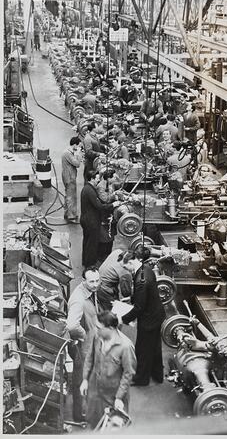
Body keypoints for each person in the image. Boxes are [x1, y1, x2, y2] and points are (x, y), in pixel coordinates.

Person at [80, 311, 137, 429]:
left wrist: (119, 397)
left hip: (113, 397)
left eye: (99, 328)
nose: (96, 330)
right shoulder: (98, 337)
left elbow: (128, 373)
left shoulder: (125, 346)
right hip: (95, 393)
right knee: (95, 424)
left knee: (112, 430)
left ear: (110, 328)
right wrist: (85, 379)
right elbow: (89, 358)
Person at [121, 245, 166, 386]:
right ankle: (157, 374)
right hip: (156, 314)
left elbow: (139, 308)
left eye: (125, 267)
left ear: (130, 262)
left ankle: (141, 378)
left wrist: (124, 318)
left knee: (143, 349)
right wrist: (132, 299)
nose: (125, 270)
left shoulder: (141, 280)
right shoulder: (146, 269)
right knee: (154, 346)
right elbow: (144, 296)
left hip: (149, 319)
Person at [66, 268, 101, 424]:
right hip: (82, 347)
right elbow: (72, 325)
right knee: (82, 379)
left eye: (97, 280)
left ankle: (86, 409)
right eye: (91, 281)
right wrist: (84, 336)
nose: (95, 284)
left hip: (90, 343)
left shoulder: (89, 293)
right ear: (84, 281)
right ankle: (81, 415)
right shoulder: (79, 300)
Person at [80, 170, 121, 268]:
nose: (98, 180)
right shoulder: (89, 190)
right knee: (92, 243)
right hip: (91, 221)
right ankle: (90, 265)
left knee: (87, 241)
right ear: (92, 179)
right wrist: (113, 205)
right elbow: (99, 206)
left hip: (86, 219)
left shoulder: (87, 188)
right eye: (97, 178)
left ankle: (85, 261)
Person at [61, 136, 82, 222]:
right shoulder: (68, 154)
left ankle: (67, 213)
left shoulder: (67, 152)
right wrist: (78, 155)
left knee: (68, 195)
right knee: (71, 196)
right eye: (78, 146)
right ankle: (71, 215)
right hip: (70, 177)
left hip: (68, 176)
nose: (78, 148)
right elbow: (77, 164)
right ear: (74, 145)